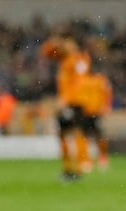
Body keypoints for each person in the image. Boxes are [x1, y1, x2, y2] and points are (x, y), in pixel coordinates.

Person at [43, 36, 90, 182]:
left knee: (75, 132)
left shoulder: (76, 60)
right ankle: (68, 169)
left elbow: (79, 80)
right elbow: (46, 52)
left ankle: (80, 167)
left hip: (74, 102)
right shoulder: (64, 63)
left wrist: (65, 100)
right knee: (64, 134)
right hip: (67, 102)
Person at [76, 67, 113, 173]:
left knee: (98, 135)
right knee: (84, 136)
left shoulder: (100, 79)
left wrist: (107, 106)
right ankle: (86, 160)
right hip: (83, 111)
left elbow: (107, 92)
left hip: (96, 111)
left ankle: (103, 157)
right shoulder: (81, 78)